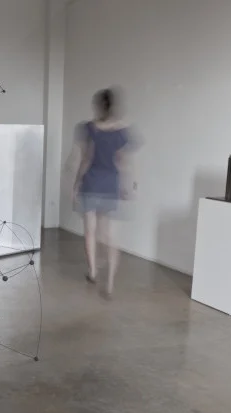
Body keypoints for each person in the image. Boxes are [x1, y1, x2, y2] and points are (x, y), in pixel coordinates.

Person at [70, 87, 135, 298]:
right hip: (110, 186)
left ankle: (92, 272)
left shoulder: (89, 128)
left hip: (91, 184)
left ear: (98, 106)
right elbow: (123, 162)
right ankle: (110, 284)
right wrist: (127, 185)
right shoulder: (122, 132)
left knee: (90, 231)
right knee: (110, 236)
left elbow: (86, 159)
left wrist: (76, 184)